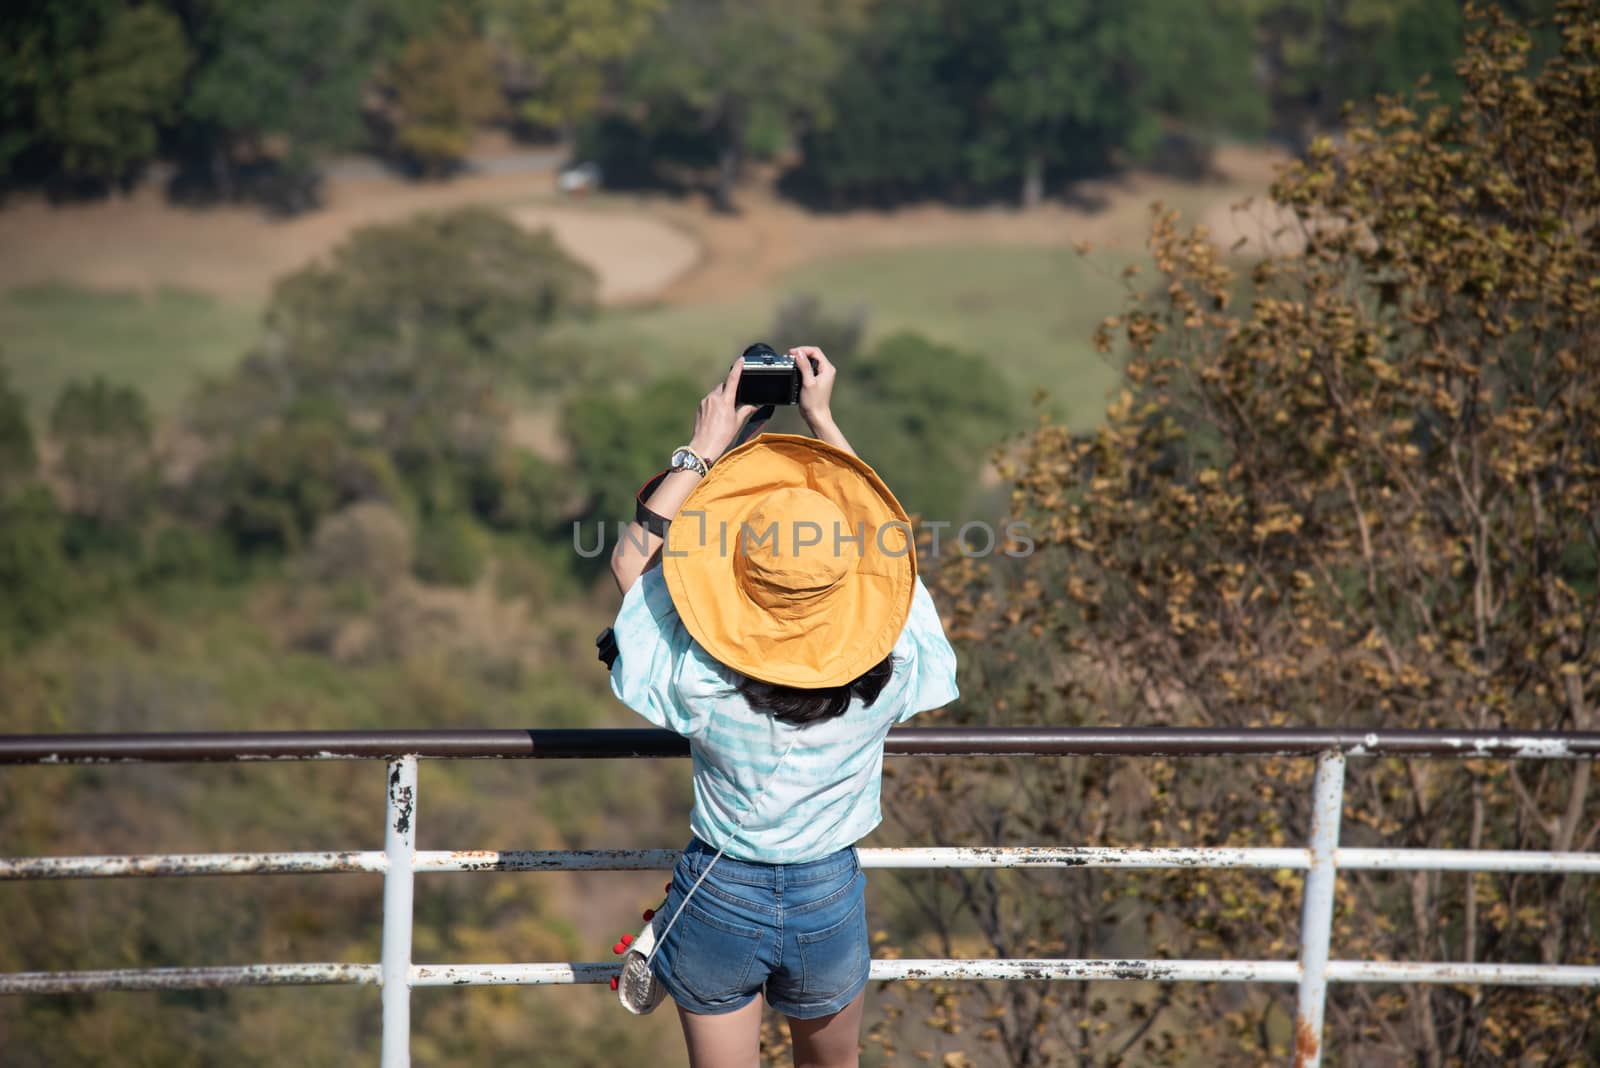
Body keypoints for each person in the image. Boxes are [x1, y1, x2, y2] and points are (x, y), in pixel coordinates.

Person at [606, 346, 959, 1068]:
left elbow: (630, 562)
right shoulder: (889, 670)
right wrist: (823, 420)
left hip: (717, 889)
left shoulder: (702, 677)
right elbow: (895, 553)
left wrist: (704, 447)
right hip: (828, 896)